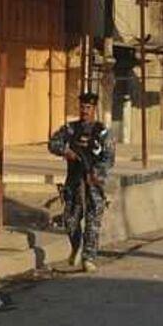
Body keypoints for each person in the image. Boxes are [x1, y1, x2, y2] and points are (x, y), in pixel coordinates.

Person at [48, 92, 115, 273]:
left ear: (94, 109)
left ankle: (88, 258)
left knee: (93, 222)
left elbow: (109, 158)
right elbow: (52, 143)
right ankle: (76, 246)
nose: (85, 111)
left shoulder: (102, 132)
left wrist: (95, 172)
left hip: (94, 183)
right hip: (74, 181)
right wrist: (66, 151)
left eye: (89, 108)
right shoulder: (71, 129)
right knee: (70, 220)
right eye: (83, 107)